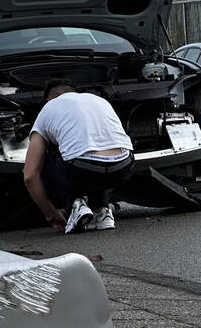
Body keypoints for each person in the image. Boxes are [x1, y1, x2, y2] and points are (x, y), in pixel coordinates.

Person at [23, 78, 135, 234]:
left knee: (49, 157)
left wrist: (51, 215)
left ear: (48, 100)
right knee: (93, 153)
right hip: (123, 166)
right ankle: (101, 210)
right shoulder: (98, 101)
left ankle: (75, 204)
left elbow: (30, 176)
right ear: (74, 92)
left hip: (81, 169)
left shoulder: (47, 109)